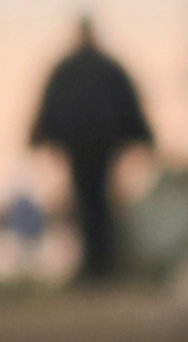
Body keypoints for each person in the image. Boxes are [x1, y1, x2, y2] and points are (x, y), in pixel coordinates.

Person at [27, 15, 156, 288]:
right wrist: (145, 138)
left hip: (83, 147)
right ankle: (99, 267)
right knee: (96, 205)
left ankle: (96, 268)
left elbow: (49, 109)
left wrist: (37, 138)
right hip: (99, 147)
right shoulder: (107, 68)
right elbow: (129, 106)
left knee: (89, 204)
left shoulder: (68, 69)